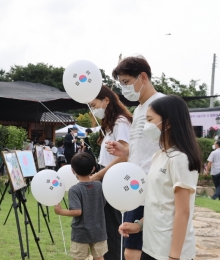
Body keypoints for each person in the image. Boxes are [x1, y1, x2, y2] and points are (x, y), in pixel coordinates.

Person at [114, 95, 201, 260]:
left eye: (149, 119)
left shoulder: (180, 159)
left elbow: (182, 212)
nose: (146, 125)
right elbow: (159, 204)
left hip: (168, 252)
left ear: (167, 123)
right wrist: (138, 225)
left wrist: (174, 256)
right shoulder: (159, 156)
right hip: (151, 246)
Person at [107, 55, 165, 260]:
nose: (124, 89)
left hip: (152, 185)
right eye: (121, 84)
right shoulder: (139, 109)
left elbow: (169, 146)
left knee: (137, 250)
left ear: (143, 77)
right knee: (130, 247)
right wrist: (125, 152)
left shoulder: (161, 104)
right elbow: (142, 149)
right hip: (135, 186)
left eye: (126, 83)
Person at [88, 85, 132, 260]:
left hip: (114, 179)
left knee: (113, 229)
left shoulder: (120, 122)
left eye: (94, 104)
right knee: (107, 228)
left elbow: (124, 155)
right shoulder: (111, 125)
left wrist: (99, 175)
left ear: (106, 100)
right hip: (107, 176)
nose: (92, 109)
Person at [54, 153, 108, 260]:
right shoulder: (99, 185)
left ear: (73, 170)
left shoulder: (75, 189)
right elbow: (103, 203)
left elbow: (77, 211)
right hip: (99, 230)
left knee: (79, 258)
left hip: (81, 233)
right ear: (93, 169)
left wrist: (60, 211)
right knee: (99, 257)